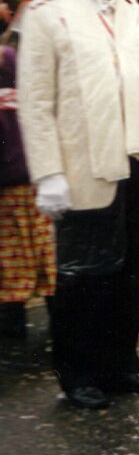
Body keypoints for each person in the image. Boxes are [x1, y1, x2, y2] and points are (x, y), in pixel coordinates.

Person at [17, 0, 139, 409]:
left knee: (124, 270)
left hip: (129, 155)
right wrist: (49, 174)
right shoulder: (46, 15)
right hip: (77, 166)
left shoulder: (129, 9)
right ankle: (78, 373)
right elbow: (35, 103)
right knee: (81, 274)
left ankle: (121, 365)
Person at [0, 39, 55, 338]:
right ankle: (55, 313)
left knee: (11, 257)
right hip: (33, 183)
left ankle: (13, 324)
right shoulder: (23, 103)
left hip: (8, 191)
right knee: (44, 251)